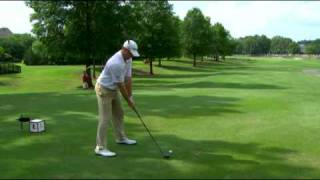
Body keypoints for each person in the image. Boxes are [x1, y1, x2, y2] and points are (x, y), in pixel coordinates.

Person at [94, 40, 140, 157]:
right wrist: (129, 101)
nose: (131, 55)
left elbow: (128, 79)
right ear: (124, 49)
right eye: (130, 53)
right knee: (105, 118)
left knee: (119, 113)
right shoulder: (115, 63)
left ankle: (120, 138)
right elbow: (121, 85)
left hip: (113, 89)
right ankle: (100, 147)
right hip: (103, 89)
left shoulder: (128, 59)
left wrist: (131, 97)